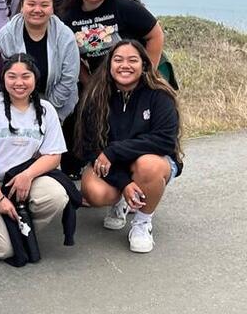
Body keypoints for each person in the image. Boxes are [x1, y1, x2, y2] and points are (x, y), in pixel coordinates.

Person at [76, 40, 183, 253]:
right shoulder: (96, 96)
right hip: (114, 167)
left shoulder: (159, 94)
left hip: (151, 162)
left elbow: (164, 140)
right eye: (118, 60)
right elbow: (90, 148)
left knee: (147, 166)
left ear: (144, 65)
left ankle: (142, 222)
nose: (125, 65)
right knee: (95, 192)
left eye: (133, 60)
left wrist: (114, 151)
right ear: (109, 66)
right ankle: (122, 201)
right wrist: (124, 182)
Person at [0, 54, 71, 262]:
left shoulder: (46, 109)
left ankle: (22, 229)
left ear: (35, 78)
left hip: (21, 181)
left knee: (57, 196)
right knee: (3, 249)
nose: (19, 83)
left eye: (26, 76)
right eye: (12, 76)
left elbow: (53, 155)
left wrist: (27, 175)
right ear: (4, 78)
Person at [0, 0, 80, 122]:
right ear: (21, 6)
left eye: (44, 5)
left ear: (52, 8)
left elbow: (69, 78)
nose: (37, 10)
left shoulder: (65, 36)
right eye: (31, 4)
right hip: (15, 110)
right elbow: (1, 75)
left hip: (58, 110)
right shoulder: (7, 35)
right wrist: (24, 111)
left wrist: (46, 111)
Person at [60, 0, 166, 82]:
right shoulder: (68, 17)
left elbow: (156, 35)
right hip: (103, 82)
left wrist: (147, 76)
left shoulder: (125, 7)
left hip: (134, 75)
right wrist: (90, 85)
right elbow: (72, 56)